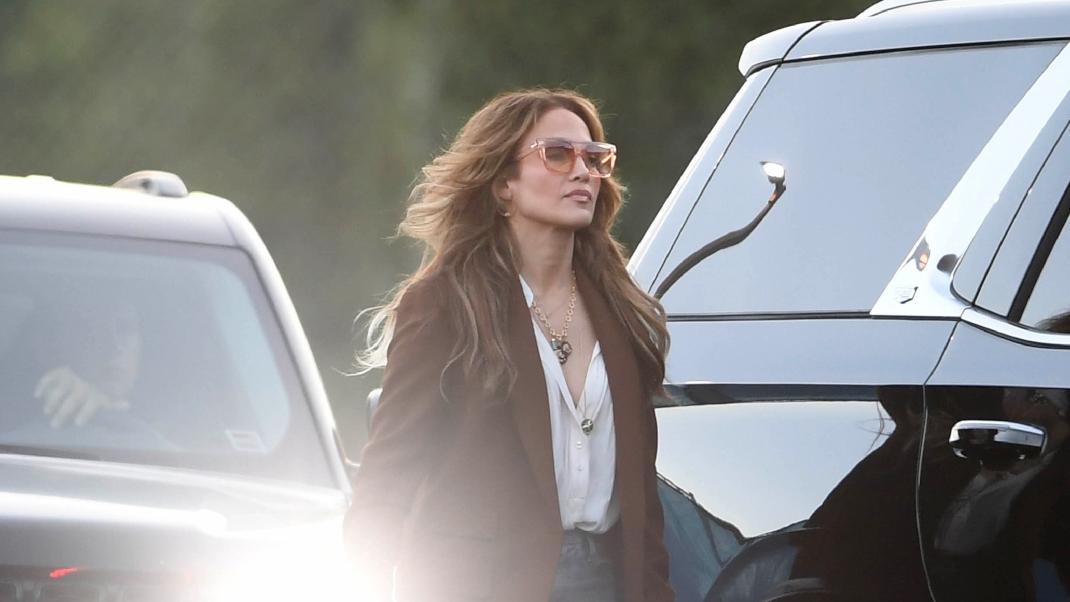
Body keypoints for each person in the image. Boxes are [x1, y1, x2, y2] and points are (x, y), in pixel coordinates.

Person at [345, 88, 674, 602]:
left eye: (594, 158)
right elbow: (390, 473)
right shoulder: (445, 304)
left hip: (605, 582)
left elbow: (642, 503)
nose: (582, 171)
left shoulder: (622, 310)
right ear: (504, 185)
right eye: (557, 154)